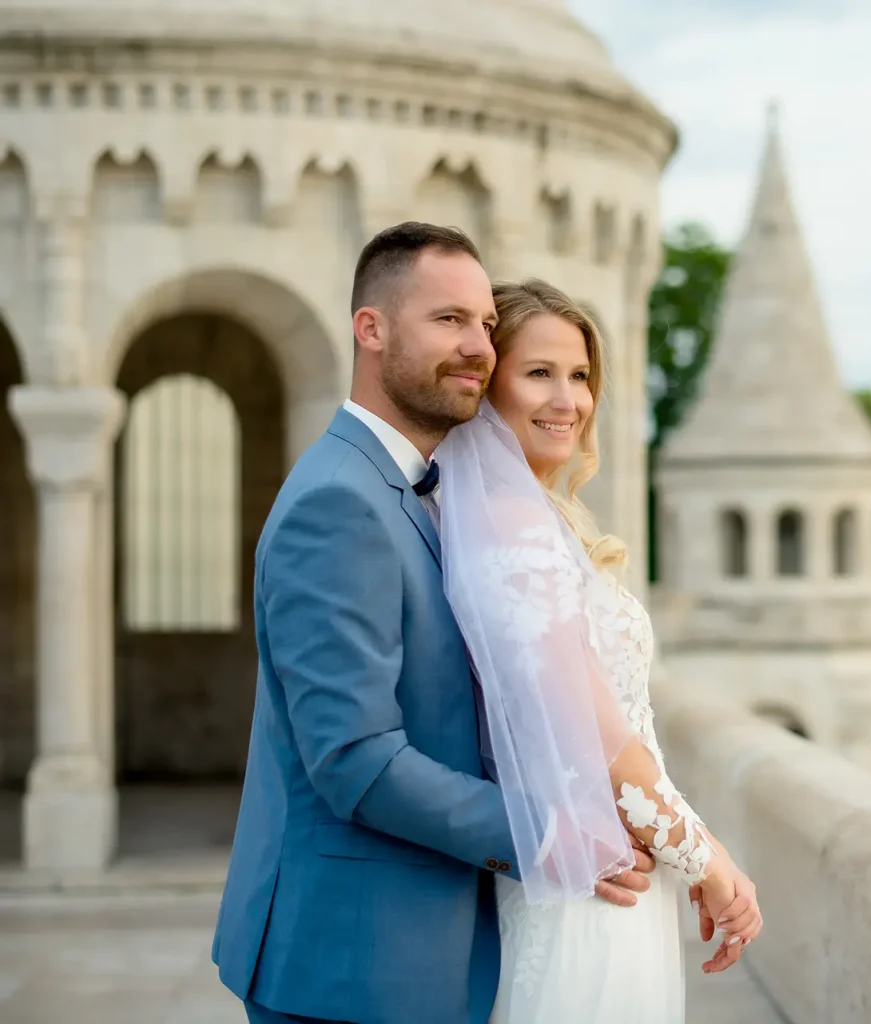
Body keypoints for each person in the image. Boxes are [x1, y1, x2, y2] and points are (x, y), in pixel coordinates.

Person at [211, 223, 655, 1024]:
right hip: (349, 963)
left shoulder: (421, 491)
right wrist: (554, 841)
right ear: (371, 329)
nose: (478, 346)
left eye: (486, 324)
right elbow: (357, 760)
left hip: (424, 947)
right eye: (448, 320)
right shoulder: (338, 501)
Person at [434, 278, 763, 1024]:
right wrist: (707, 862)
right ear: (488, 389)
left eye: (580, 376)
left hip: (606, 860)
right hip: (592, 882)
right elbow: (596, 732)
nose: (567, 400)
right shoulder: (512, 528)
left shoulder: (521, 516)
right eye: (539, 373)